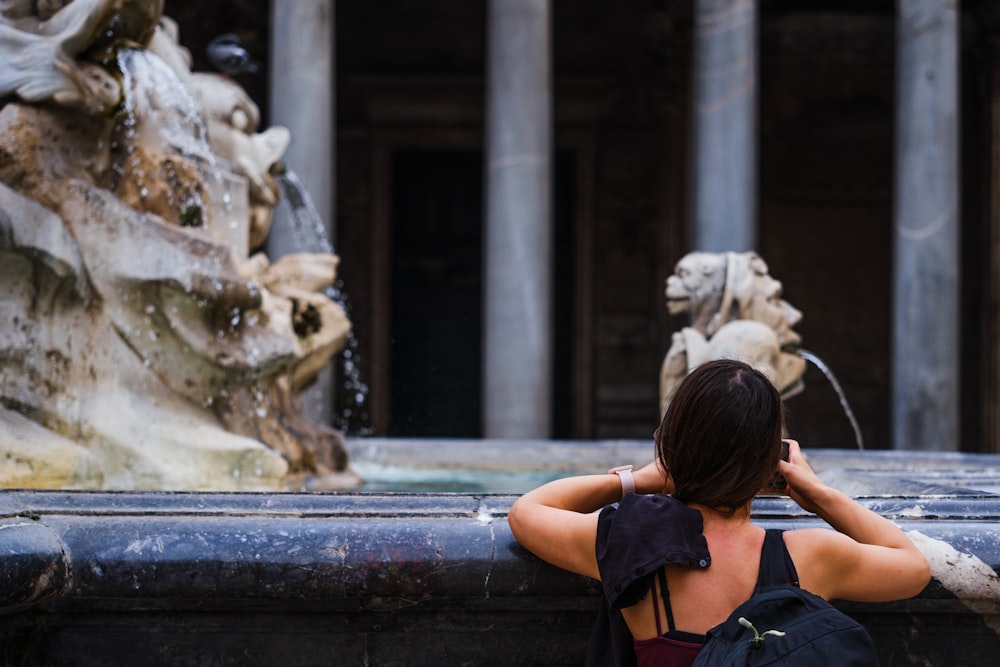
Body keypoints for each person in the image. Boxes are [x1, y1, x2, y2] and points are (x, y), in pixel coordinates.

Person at [508, 359, 930, 666]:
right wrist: (818, 495)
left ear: (671, 444)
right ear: (771, 461)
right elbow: (913, 567)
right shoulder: (813, 556)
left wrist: (641, 478)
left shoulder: (632, 543)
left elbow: (527, 512)